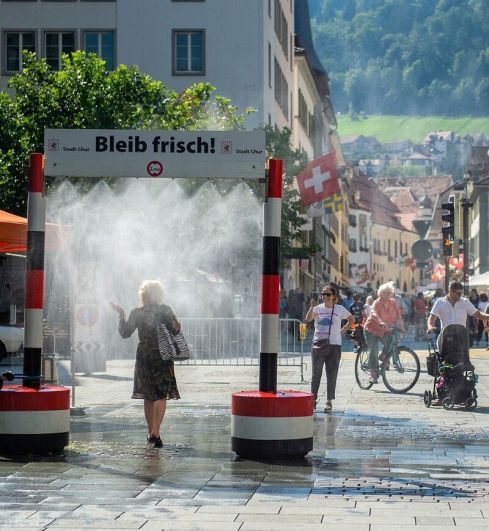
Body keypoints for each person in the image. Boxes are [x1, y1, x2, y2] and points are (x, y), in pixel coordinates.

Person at [111, 280, 181, 448]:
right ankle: (156, 431)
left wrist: (121, 315)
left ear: (143, 295)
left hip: (144, 355)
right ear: (159, 294)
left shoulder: (137, 312)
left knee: (148, 394)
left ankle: (151, 432)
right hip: (162, 354)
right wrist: (175, 321)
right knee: (161, 394)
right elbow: (176, 329)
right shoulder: (165, 310)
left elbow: (125, 333)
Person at [305, 285, 355, 412]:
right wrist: (311, 307)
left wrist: (342, 331)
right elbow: (308, 319)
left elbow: (351, 319)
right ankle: (313, 400)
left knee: (331, 374)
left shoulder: (339, 309)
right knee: (316, 374)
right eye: (323, 294)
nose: (325, 297)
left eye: (327, 294)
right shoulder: (317, 308)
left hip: (334, 345)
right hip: (318, 344)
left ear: (334, 297)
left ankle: (329, 401)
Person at [363, 281, 406, 384]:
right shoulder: (377, 302)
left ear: (391, 293)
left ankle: (383, 356)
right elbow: (373, 313)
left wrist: (403, 328)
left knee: (392, 339)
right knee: (373, 350)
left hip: (384, 330)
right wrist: (381, 321)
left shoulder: (393, 302)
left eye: (388, 292)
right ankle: (373, 375)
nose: (386, 294)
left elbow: (398, 317)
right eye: (384, 292)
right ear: (380, 293)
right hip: (371, 329)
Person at [428, 282, 489, 352]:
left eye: (461, 293)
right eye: (458, 293)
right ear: (451, 291)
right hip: (445, 338)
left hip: (460, 339)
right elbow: (431, 319)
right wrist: (430, 326)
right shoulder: (440, 302)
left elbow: (480, 315)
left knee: (461, 361)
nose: (460, 295)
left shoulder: (465, 302)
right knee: (444, 361)